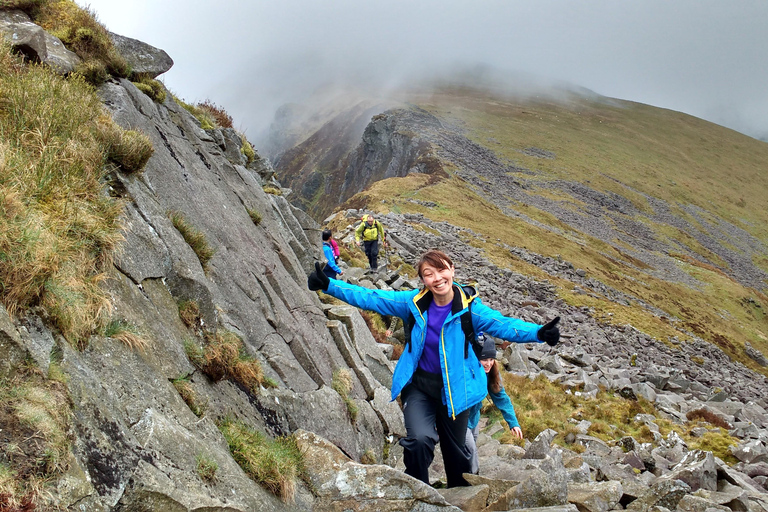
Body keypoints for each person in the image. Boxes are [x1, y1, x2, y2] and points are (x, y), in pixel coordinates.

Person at [307, 249, 560, 487]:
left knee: (457, 461)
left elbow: (503, 324)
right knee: (418, 441)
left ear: (452, 269)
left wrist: (538, 333)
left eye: (441, 270)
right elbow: (371, 298)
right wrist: (330, 285)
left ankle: (459, 499)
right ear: (423, 280)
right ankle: (419, 492)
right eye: (429, 274)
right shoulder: (414, 303)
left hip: (455, 391)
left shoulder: (470, 309)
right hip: (420, 387)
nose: (437, 278)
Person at [465, 335, 523, 475]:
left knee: (470, 449)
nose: (488, 364)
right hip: (459, 419)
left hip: (473, 419)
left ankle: (462, 481)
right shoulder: (465, 372)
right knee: (470, 450)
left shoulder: (491, 373)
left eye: (491, 359)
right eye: (484, 359)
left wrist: (513, 423)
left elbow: (502, 398)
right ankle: (473, 483)